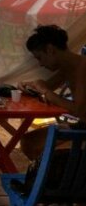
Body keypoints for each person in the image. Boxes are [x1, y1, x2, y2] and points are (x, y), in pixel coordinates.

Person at [18, 25, 86, 160]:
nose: (40, 64)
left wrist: (45, 92)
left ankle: (61, 177)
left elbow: (79, 110)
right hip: (81, 125)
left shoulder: (82, 68)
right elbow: (47, 85)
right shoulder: (68, 67)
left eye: (40, 58)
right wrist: (31, 85)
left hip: (83, 128)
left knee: (41, 149)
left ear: (50, 50)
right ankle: (49, 176)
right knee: (28, 142)